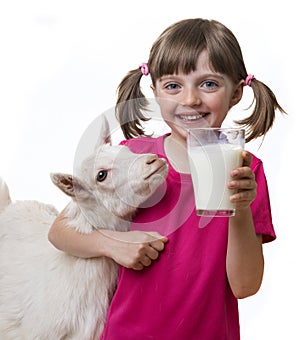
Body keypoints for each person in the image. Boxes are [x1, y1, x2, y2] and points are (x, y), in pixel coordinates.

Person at [48, 18, 285, 339]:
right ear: (155, 91)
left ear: (236, 93)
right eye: (174, 86)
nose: (190, 99)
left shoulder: (246, 171)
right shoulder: (130, 157)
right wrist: (112, 244)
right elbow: (60, 232)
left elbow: (244, 286)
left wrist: (239, 209)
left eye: (209, 84)